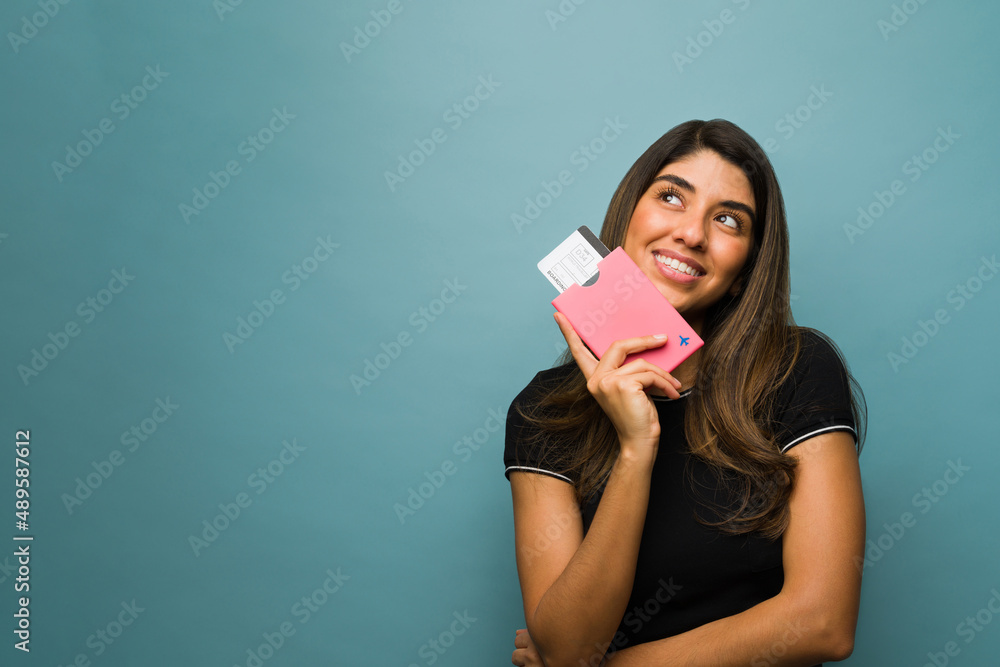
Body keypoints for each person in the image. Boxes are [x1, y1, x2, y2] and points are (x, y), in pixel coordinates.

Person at [503, 119, 867, 667]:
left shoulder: (795, 370)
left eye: (727, 220)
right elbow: (569, 646)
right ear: (629, 216)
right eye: (672, 197)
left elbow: (822, 623)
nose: (692, 234)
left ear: (745, 270)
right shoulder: (543, 414)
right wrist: (635, 446)